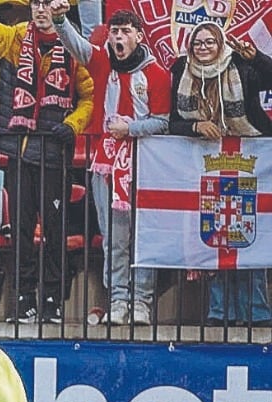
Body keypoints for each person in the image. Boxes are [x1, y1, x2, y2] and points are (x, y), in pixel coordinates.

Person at [0, 0, 92, 324]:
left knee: (55, 233)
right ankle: (23, 300)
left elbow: (90, 96)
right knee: (20, 233)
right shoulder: (15, 37)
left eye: (47, 3)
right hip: (19, 153)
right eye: (36, 3)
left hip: (55, 154)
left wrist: (73, 125)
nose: (40, 9)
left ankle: (52, 300)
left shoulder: (75, 45)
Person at [52, 2, 168, 326]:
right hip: (105, 166)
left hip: (146, 164)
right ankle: (118, 300)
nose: (118, 36)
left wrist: (130, 128)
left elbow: (163, 121)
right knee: (113, 237)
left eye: (125, 31)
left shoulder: (156, 73)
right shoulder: (102, 61)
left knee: (144, 236)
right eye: (114, 31)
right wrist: (60, 19)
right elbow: (75, 45)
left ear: (139, 36)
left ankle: (141, 302)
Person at [169, 24, 272, 327]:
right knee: (213, 239)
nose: (203, 47)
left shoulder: (241, 63)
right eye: (198, 43)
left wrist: (257, 58)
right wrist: (195, 127)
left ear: (220, 42)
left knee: (249, 236)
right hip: (205, 168)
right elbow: (173, 121)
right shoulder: (180, 69)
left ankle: (255, 310)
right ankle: (220, 311)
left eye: (209, 41)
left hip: (249, 165)